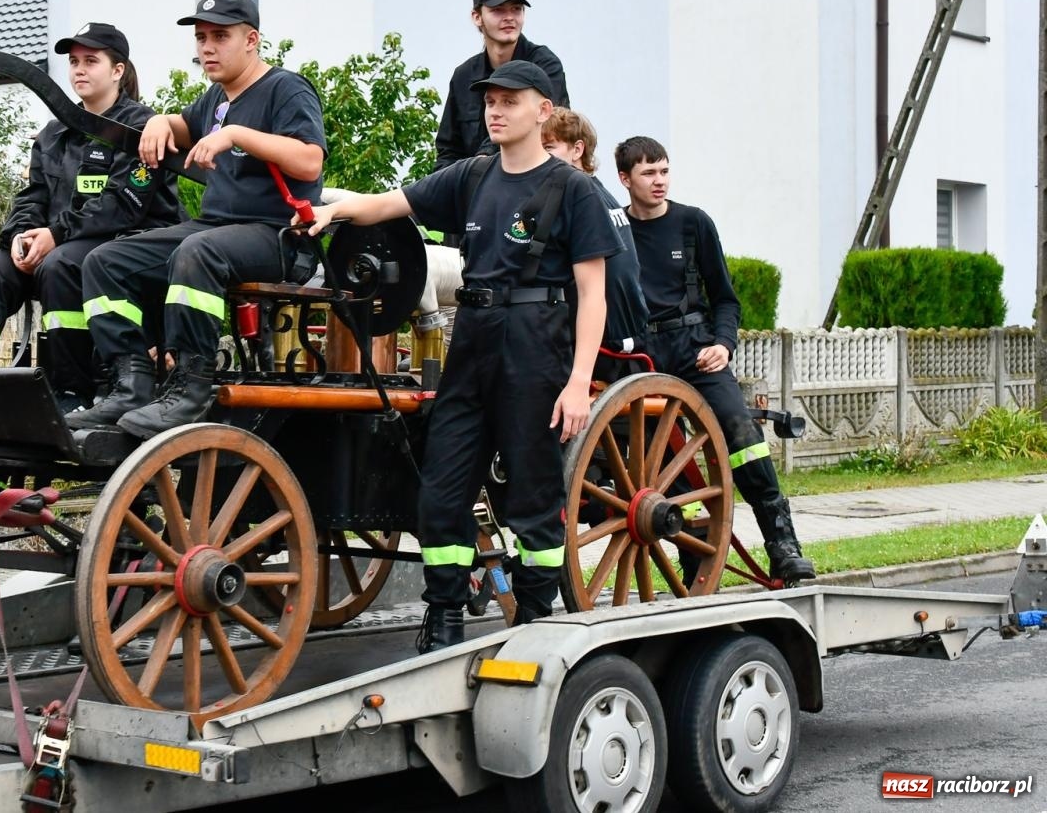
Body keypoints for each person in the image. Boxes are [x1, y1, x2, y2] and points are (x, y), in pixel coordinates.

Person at [307, 60, 617, 652]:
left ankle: (533, 616)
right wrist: (332, 211)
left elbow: (592, 293)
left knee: (532, 493)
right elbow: (386, 204)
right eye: (489, 101)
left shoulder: (572, 189)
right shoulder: (471, 177)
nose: (494, 110)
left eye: (509, 100)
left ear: (542, 111)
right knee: (441, 488)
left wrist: (579, 382)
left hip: (536, 341)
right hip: (472, 337)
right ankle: (445, 613)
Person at [66, 0, 326, 438]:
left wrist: (238, 135)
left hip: (278, 235)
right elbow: (181, 127)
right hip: (216, 230)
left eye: (219, 36)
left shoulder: (286, 88)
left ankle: (191, 387)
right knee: (105, 260)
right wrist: (159, 122)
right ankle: (131, 385)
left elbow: (309, 161)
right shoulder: (215, 99)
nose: (206, 47)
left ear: (252, 40)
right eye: (201, 37)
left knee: (197, 251)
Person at [0, 22, 181, 412]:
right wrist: (19, 235)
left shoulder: (140, 128)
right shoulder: (53, 133)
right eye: (74, 62)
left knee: (61, 266)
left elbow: (122, 206)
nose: (79, 70)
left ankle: (72, 393)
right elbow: (32, 196)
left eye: (91, 61)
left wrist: (55, 235)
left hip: (127, 247)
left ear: (118, 70)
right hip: (63, 242)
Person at [614, 136, 815, 583]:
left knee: (742, 431)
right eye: (648, 173)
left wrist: (723, 345)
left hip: (695, 350)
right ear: (625, 179)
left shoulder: (694, 224)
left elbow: (726, 300)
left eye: (664, 171)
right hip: (641, 357)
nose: (659, 181)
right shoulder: (614, 231)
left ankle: (783, 544)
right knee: (653, 464)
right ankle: (691, 542)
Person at [432, 0, 568, 171]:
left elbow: (548, 128)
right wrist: (443, 191)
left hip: (535, 182)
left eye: (516, 9)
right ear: (477, 17)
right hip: (476, 191)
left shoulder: (544, 65)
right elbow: (449, 150)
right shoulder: (463, 75)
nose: (510, 17)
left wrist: (484, 158)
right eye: (498, 10)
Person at [542, 108, 648, 356]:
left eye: (548, 148)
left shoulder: (574, 197)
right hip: (630, 335)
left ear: (577, 150)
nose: (539, 157)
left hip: (599, 344)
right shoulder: (602, 194)